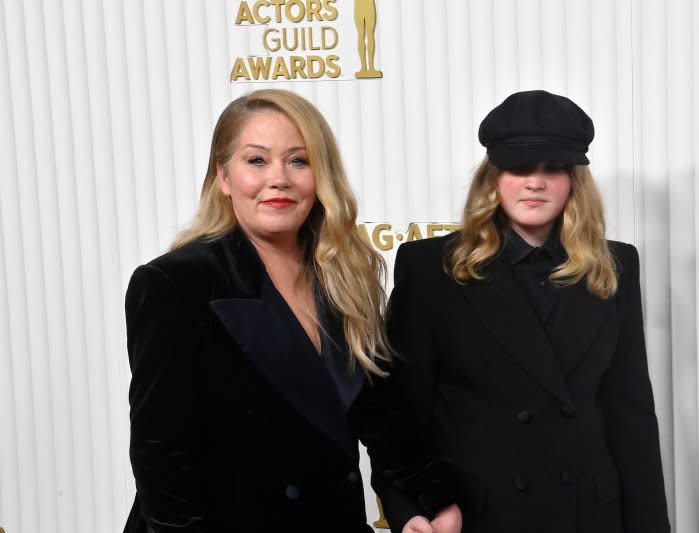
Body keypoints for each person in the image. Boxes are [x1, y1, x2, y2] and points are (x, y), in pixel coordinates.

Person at [123, 89, 461, 533]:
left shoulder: (344, 278)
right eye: (257, 161)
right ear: (224, 177)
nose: (279, 178)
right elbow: (160, 457)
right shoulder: (175, 284)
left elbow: (383, 420)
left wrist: (427, 503)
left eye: (298, 161)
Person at [379, 90, 670, 532]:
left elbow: (630, 412)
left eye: (553, 167)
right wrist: (419, 505)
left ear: (574, 180)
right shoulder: (430, 268)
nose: (535, 182)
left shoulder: (614, 266)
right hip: (478, 513)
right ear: (493, 177)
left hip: (588, 514)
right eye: (519, 167)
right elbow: (400, 410)